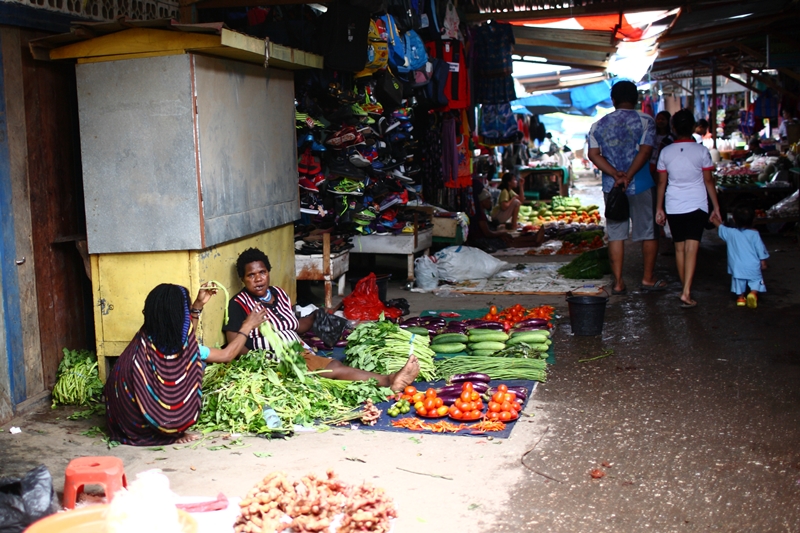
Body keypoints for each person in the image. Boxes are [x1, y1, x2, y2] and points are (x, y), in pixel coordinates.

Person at [223, 247, 419, 390]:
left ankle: (387, 379)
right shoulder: (239, 304)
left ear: (268, 273)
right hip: (275, 361)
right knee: (334, 368)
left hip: (297, 352)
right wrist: (263, 365)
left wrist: (316, 316)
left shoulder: (279, 293)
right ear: (243, 278)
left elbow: (293, 326)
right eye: (251, 275)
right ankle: (389, 380)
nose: (258, 279)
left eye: (262, 273)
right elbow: (235, 346)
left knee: (334, 367)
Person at [105, 283, 267, 446]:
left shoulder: (146, 338)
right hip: (147, 426)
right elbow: (227, 355)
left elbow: (184, 338)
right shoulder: (182, 349)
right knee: (196, 364)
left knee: (188, 359)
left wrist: (197, 306)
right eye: (186, 310)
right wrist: (247, 326)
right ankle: (171, 429)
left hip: (122, 422)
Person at [587, 80, 664, 295]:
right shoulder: (646, 121)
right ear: (636, 99)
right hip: (641, 184)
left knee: (616, 234)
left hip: (612, 187)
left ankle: (619, 282)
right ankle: (647, 279)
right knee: (648, 232)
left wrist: (615, 174)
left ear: (613, 100)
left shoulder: (599, 124)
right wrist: (629, 175)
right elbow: (645, 151)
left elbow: (593, 155)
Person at [655, 109, 721, 309]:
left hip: (673, 205)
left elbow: (661, 183)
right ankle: (686, 291)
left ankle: (685, 288)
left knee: (679, 247)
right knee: (692, 247)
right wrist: (716, 206)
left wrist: (659, 208)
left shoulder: (665, 152)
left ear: (673, 128)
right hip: (697, 204)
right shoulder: (702, 151)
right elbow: (709, 181)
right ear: (693, 127)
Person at [710, 206, 769, 309]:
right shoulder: (754, 234)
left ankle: (740, 298)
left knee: (738, 281)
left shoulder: (730, 233)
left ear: (734, 219)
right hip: (752, 264)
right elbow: (760, 249)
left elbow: (719, 226)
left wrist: (714, 217)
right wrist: (763, 262)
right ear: (753, 219)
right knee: (756, 280)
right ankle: (753, 293)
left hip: (737, 266)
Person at [467, 180, 544, 253]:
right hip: (479, 242)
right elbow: (488, 233)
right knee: (506, 242)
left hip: (481, 239)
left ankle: (533, 239)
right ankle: (533, 242)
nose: (490, 201)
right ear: (482, 201)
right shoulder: (479, 214)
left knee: (506, 238)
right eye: (488, 199)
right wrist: (501, 233)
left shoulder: (478, 211)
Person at [650, 111, 674, 181]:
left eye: (663, 119)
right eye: (658, 119)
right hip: (651, 165)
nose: (660, 121)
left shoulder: (670, 138)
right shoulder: (652, 135)